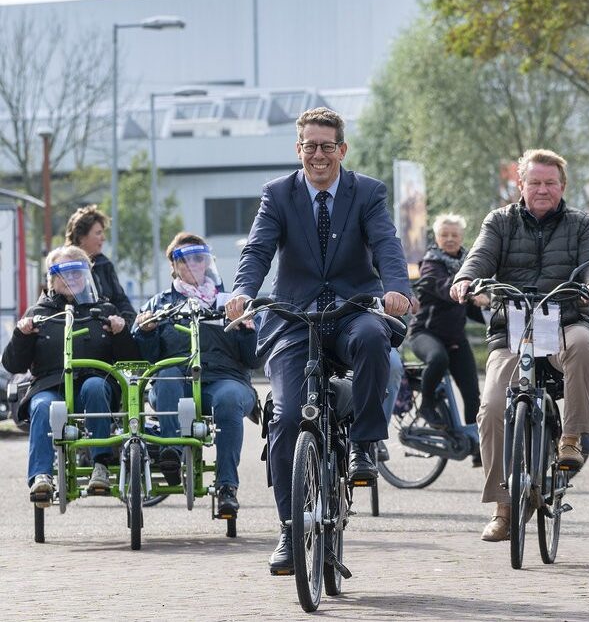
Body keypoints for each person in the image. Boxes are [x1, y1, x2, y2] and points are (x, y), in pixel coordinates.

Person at [224, 107, 412, 574]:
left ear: (342, 149)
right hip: (294, 317)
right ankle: (290, 531)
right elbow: (258, 249)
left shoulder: (367, 192)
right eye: (310, 146)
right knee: (286, 418)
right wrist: (244, 290)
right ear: (298, 150)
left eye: (328, 146)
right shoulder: (278, 195)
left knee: (373, 340)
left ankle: (365, 444)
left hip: (352, 310)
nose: (319, 155)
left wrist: (397, 290)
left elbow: (387, 243)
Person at [450, 148, 589, 542]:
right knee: (489, 408)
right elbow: (480, 256)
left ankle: (570, 439)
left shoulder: (582, 223)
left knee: (585, 347)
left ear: (562, 186)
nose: (542, 189)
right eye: (534, 182)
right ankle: (502, 507)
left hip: (564, 321)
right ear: (520, 184)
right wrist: (466, 279)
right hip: (513, 330)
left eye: (550, 183)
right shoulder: (500, 221)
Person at [133, 233, 258, 517]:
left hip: (224, 379)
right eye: (185, 259)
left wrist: (249, 332)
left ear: (208, 261)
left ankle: (227, 486)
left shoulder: (230, 303)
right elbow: (145, 356)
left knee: (228, 399)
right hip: (176, 382)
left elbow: (253, 358)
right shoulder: (159, 303)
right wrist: (145, 331)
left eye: (199, 258)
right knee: (165, 376)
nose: (193, 264)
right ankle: (171, 456)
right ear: (173, 267)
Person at [2, 246, 136, 505]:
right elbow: (12, 364)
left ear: (87, 276)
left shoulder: (104, 309)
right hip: (51, 384)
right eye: (65, 273)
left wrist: (121, 332)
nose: (72, 279)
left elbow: (131, 359)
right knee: (42, 405)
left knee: (95, 386)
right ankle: (41, 476)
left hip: (95, 381)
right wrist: (22, 334)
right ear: (51, 279)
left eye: (78, 272)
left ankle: (100, 466)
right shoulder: (37, 313)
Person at [409, 214, 484, 444]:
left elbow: (470, 310)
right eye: (444, 235)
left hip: (455, 337)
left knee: (473, 394)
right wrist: (471, 295)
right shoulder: (430, 264)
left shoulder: (468, 265)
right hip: (425, 333)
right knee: (438, 359)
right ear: (437, 237)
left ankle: (476, 445)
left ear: (462, 237)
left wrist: (494, 313)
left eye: (455, 235)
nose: (450, 239)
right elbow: (444, 289)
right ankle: (427, 406)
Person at [64, 205, 136, 327]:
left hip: (107, 332)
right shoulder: (63, 267)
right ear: (81, 237)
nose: (103, 238)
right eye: (98, 233)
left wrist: (128, 323)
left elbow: (121, 301)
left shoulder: (105, 265)